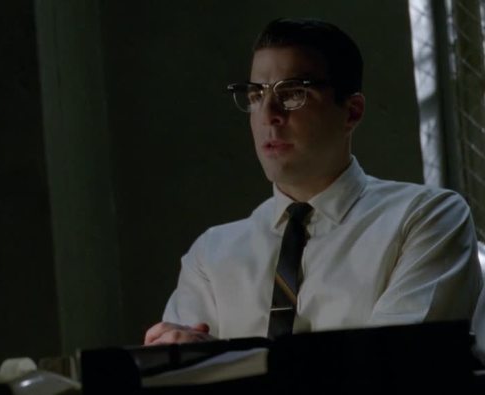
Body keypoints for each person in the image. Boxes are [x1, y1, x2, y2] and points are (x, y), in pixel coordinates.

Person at [145, 18, 482, 345]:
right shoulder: (211, 256)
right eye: (256, 95)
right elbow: (187, 377)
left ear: (351, 112)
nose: (269, 115)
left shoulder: (424, 219)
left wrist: (227, 361)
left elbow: (392, 363)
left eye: (293, 93)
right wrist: (182, 356)